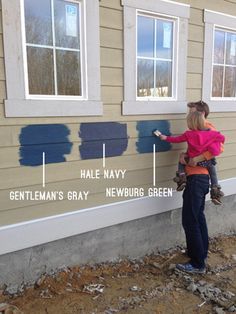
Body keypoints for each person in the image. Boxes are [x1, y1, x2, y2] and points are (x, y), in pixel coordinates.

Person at [157, 111, 225, 274]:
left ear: (191, 123)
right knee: (198, 217)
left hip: (195, 181)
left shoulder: (190, 134)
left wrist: (163, 138)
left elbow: (175, 140)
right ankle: (199, 253)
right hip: (204, 181)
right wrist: (200, 157)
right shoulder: (211, 134)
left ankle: (197, 264)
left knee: (190, 221)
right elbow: (216, 150)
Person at [177, 101, 224, 205]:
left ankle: (215, 191)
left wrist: (196, 159)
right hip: (193, 174)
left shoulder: (208, 129)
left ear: (202, 113)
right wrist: (186, 155)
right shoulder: (196, 127)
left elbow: (219, 148)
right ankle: (182, 178)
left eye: (191, 112)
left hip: (198, 177)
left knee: (193, 215)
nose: (189, 115)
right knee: (195, 214)